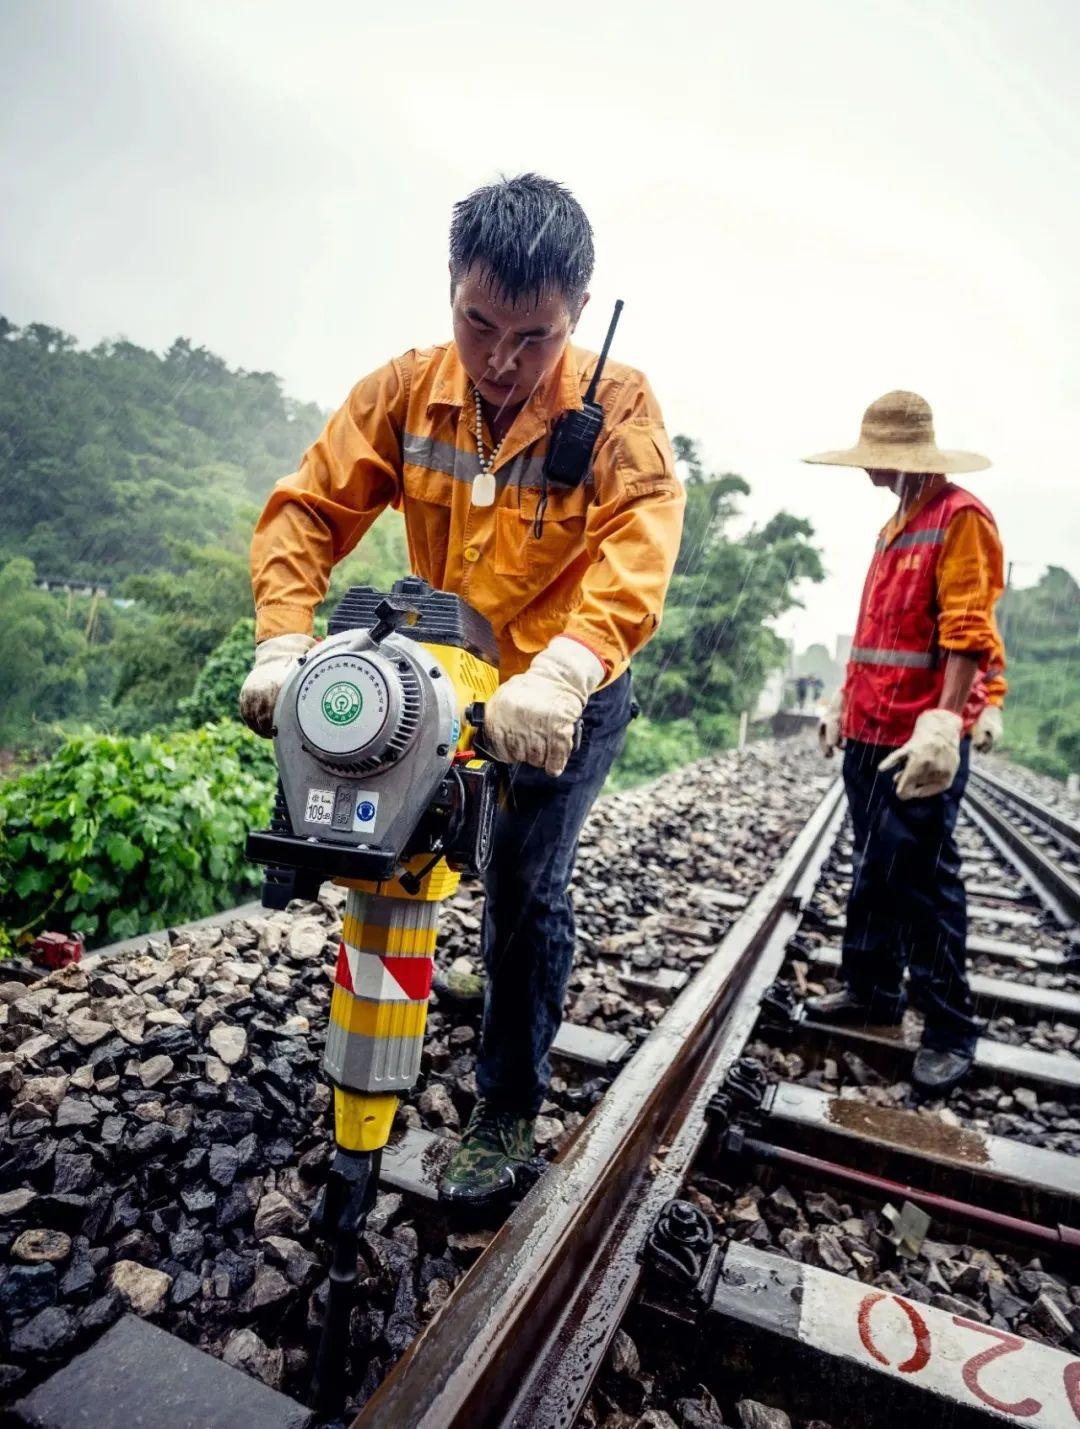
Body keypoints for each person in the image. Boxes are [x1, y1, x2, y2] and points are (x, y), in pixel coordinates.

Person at [239, 174, 685, 1203]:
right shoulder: (406, 390)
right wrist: (278, 645)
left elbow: (640, 546)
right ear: (450, 290)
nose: (499, 359)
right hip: (443, 681)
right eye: (477, 323)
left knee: (525, 888)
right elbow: (307, 510)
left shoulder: (619, 410)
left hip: (564, 690)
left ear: (576, 313)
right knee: (393, 841)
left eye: (533, 337)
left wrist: (567, 670)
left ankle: (508, 1101)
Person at [807, 391, 1007, 1096]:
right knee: (873, 865)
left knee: (921, 878)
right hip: (869, 728)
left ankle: (951, 1027)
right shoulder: (896, 525)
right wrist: (840, 699)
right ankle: (872, 990)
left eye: (879, 458)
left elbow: (967, 633)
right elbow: (876, 635)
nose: (868, 470)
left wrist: (942, 725)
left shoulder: (962, 520)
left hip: (916, 739)